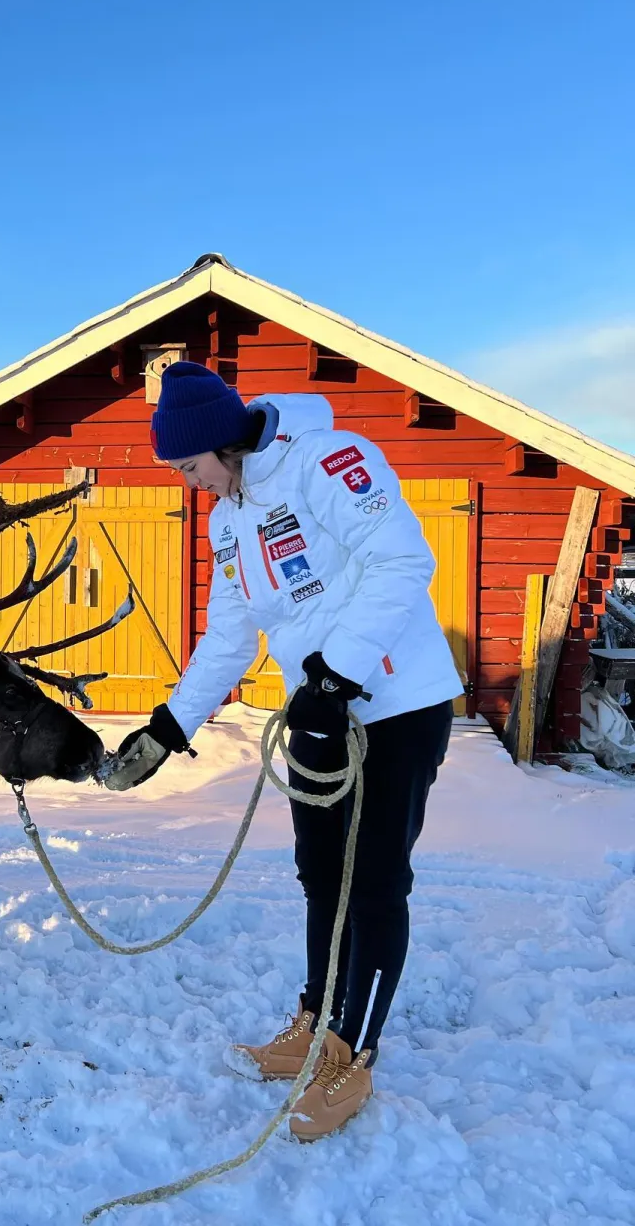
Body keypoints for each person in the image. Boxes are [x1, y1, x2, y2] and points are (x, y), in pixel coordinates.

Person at [106, 360, 462, 1140]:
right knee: (318, 874)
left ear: (221, 443)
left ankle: (350, 1052)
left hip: (394, 703)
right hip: (317, 711)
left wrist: (336, 676)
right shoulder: (226, 516)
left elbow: (404, 560)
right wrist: (170, 725)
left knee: (372, 882)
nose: (186, 482)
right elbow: (229, 634)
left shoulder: (328, 460)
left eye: (188, 465)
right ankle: (315, 1016)